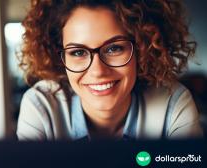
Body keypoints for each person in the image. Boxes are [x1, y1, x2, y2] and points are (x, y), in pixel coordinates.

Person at [16, 0, 203, 141]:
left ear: (142, 49)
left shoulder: (173, 103)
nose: (98, 71)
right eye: (78, 52)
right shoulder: (41, 105)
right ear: (61, 58)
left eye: (114, 48)